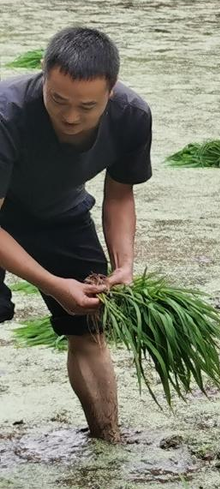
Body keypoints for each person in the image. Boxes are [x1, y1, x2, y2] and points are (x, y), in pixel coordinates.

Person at [0, 27, 152, 443]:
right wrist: (51, 284)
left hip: (58, 210)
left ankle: (108, 439)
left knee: (89, 324)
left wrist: (123, 265)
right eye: (58, 100)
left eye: (87, 106)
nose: (70, 116)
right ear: (42, 76)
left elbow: (120, 195)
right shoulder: (5, 113)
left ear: (112, 92)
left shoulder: (132, 116)